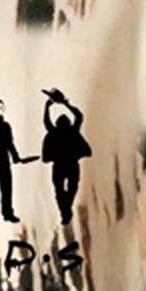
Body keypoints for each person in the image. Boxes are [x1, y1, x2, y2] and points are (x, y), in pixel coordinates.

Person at [40, 88, 92, 224]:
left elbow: (47, 122)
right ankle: (66, 211)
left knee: (64, 191)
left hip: (63, 165)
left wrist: (48, 107)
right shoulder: (70, 131)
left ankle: (66, 212)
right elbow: (79, 116)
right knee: (67, 190)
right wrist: (65, 104)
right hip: (69, 165)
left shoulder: (58, 132)